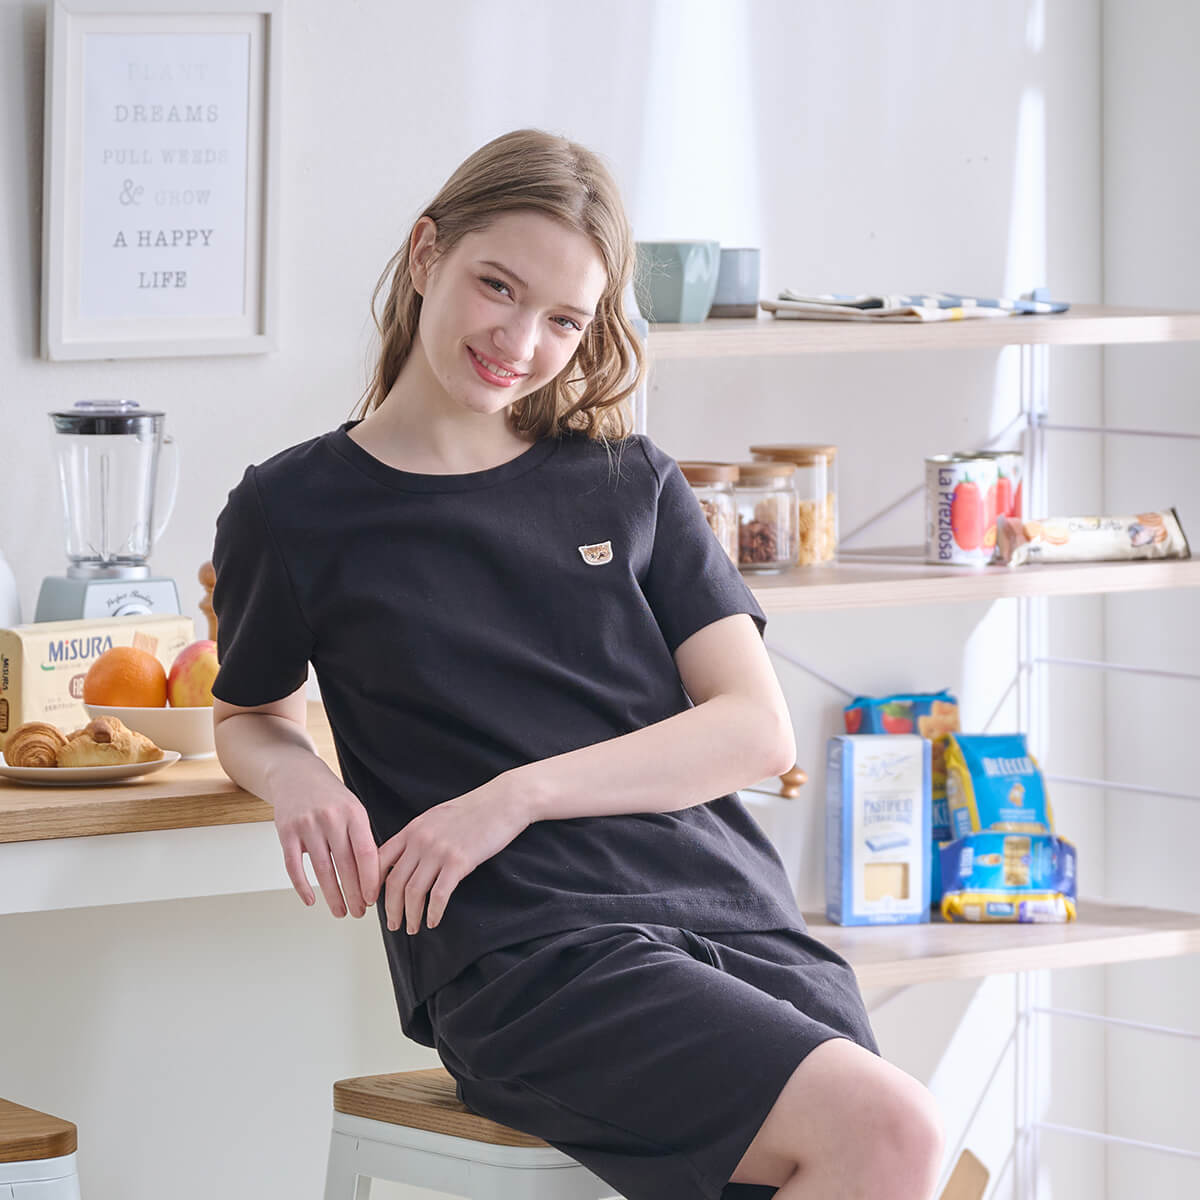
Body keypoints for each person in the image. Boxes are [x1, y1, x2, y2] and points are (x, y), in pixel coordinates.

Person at [210, 128, 945, 1200]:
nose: (520, 341)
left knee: (874, 1140)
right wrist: (299, 778)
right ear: (426, 255)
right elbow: (249, 714)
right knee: (893, 1134)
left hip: (731, 915)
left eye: (564, 319)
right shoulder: (294, 509)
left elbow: (754, 729)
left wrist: (512, 797)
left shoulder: (628, 479)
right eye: (497, 287)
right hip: (524, 956)